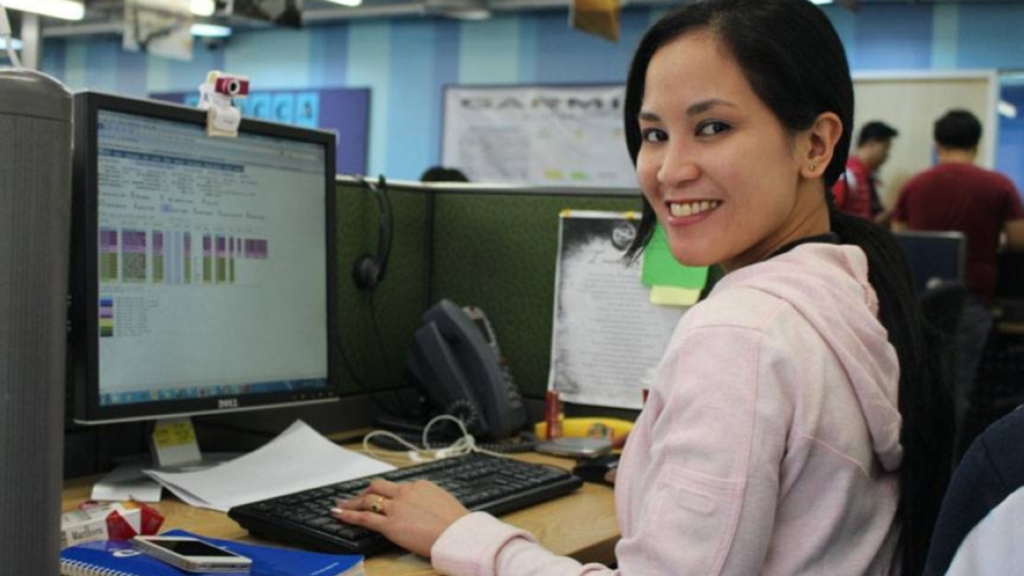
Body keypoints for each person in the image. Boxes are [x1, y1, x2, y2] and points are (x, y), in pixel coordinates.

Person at [331, 1, 953, 575]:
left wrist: (461, 533)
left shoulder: (744, 334)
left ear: (815, 146)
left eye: (711, 127)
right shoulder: (850, 292)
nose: (670, 169)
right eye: (654, 134)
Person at [892, 109, 1024, 453]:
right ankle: (947, 468)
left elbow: (898, 238)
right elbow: (1019, 240)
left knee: (913, 382)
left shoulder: (916, 184)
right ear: (977, 143)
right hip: (973, 296)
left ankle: (911, 461)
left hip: (917, 298)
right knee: (958, 384)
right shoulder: (999, 185)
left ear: (937, 143)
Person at [832, 121, 899, 224]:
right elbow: (832, 218)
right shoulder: (847, 176)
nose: (886, 156)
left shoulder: (867, 177)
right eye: (885, 149)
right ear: (871, 144)